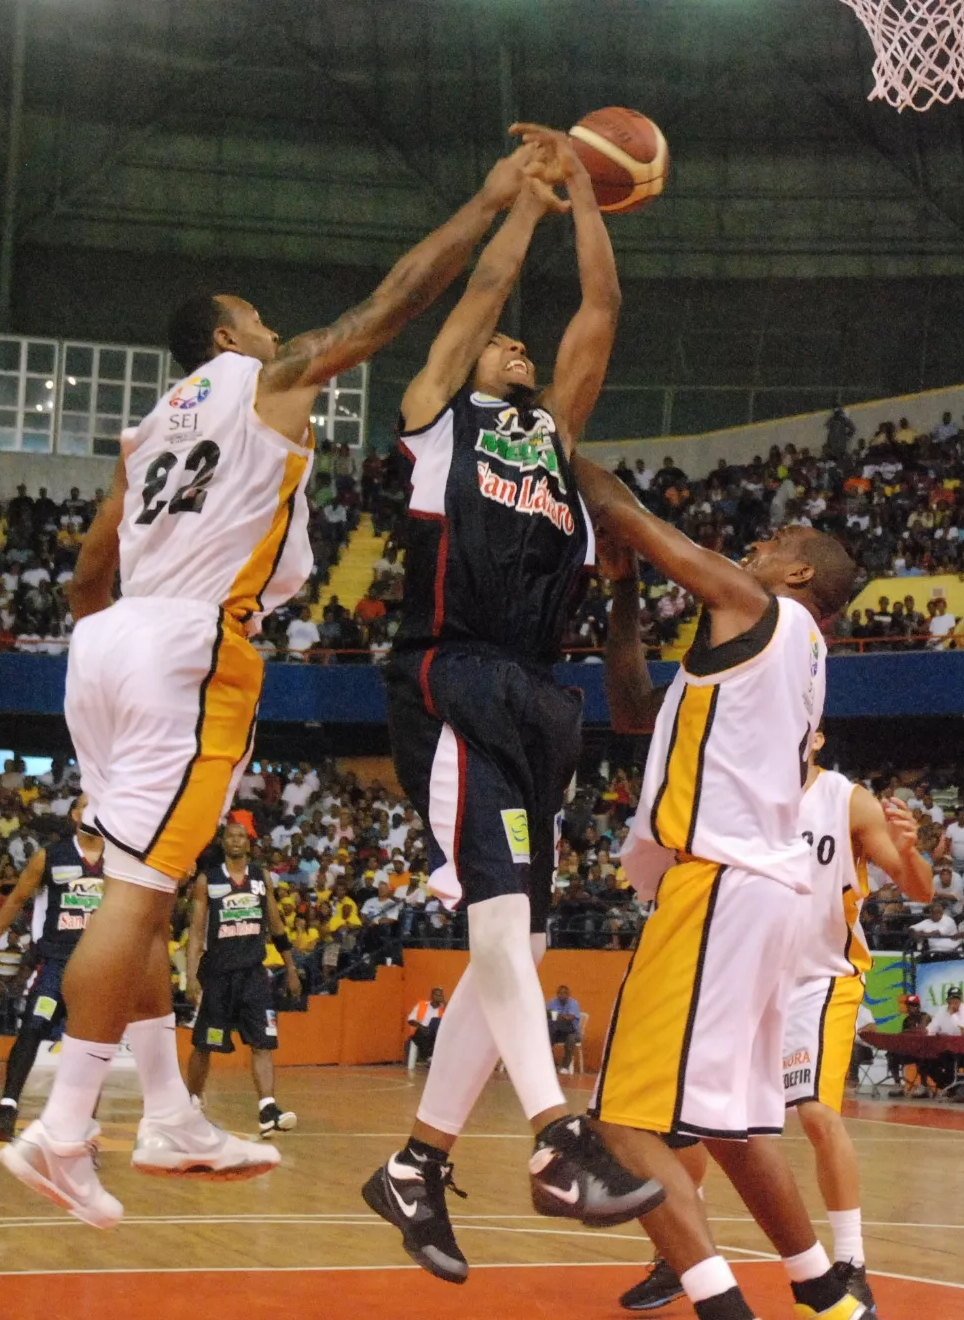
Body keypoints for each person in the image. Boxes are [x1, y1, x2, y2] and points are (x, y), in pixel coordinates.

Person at [0, 144, 549, 1230]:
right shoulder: (263, 379)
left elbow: (85, 573)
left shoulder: (147, 428)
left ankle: (167, 1112)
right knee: (140, 896)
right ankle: (63, 1129)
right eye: (251, 319)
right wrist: (490, 200)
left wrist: (115, 639)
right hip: (190, 647)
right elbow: (389, 307)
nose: (265, 329)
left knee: (140, 886)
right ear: (224, 339)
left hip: (109, 643)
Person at [364, 125, 663, 1285]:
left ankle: (415, 1163)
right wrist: (527, 203)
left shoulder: (555, 436)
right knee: (497, 927)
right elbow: (484, 287)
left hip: (541, 696)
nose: (517, 342)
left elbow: (600, 308)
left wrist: (590, 193)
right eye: (501, 344)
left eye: (520, 345)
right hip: (456, 673)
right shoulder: (440, 419)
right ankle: (554, 1139)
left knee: (523, 944)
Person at [570, 459, 863, 1320]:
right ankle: (829, 1297)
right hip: (766, 892)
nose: (758, 543)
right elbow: (630, 709)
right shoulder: (785, 651)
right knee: (728, 1128)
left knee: (620, 1120)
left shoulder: (758, 604)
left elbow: (622, 510)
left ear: (800, 573)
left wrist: (552, 431)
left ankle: (720, 1307)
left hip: (723, 886)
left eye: (777, 542)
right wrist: (621, 596)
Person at [618, 733, 932, 1313]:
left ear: (816, 734)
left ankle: (850, 1262)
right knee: (682, 1118)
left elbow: (920, 888)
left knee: (814, 1112)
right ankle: (680, 1255)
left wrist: (910, 851)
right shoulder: (738, 796)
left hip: (820, 977)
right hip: (748, 971)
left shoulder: (846, 799)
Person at [0, 798, 104, 1143]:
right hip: (56, 961)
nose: (91, 809)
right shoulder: (50, 855)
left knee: (91, 1044)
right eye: (84, 805)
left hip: (101, 966)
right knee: (33, 1026)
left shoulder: (121, 861)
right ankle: (6, 1108)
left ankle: (81, 1121)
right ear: (74, 815)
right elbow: (16, 899)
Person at [185, 821, 301, 1137]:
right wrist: (191, 975)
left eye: (241, 836)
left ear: (248, 844)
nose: (236, 840)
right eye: (230, 836)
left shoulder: (261, 878)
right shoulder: (208, 880)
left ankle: (267, 1108)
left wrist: (290, 967)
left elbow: (276, 926)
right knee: (204, 1045)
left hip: (254, 975)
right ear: (223, 842)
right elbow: (196, 932)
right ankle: (188, 1104)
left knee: (263, 1043)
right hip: (218, 975)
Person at [545, 984, 583, 1073]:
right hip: (557, 1031)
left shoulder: (573, 1003)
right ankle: (551, 1064)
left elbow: (570, 1018)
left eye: (564, 994)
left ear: (568, 994)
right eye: (560, 993)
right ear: (557, 994)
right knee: (546, 1037)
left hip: (573, 1032)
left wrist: (556, 1016)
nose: (562, 996)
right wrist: (555, 1016)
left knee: (570, 1039)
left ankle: (565, 1066)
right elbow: (545, 1014)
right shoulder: (552, 1002)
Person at [407, 986, 447, 1064]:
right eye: (436, 995)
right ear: (431, 996)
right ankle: (428, 1057)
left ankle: (430, 1058)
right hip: (420, 1031)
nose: (438, 997)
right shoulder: (421, 1004)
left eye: (440, 995)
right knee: (425, 1033)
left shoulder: (443, 1008)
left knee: (436, 1021)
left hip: (435, 1033)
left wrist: (444, 1003)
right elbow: (410, 1020)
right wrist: (422, 1027)